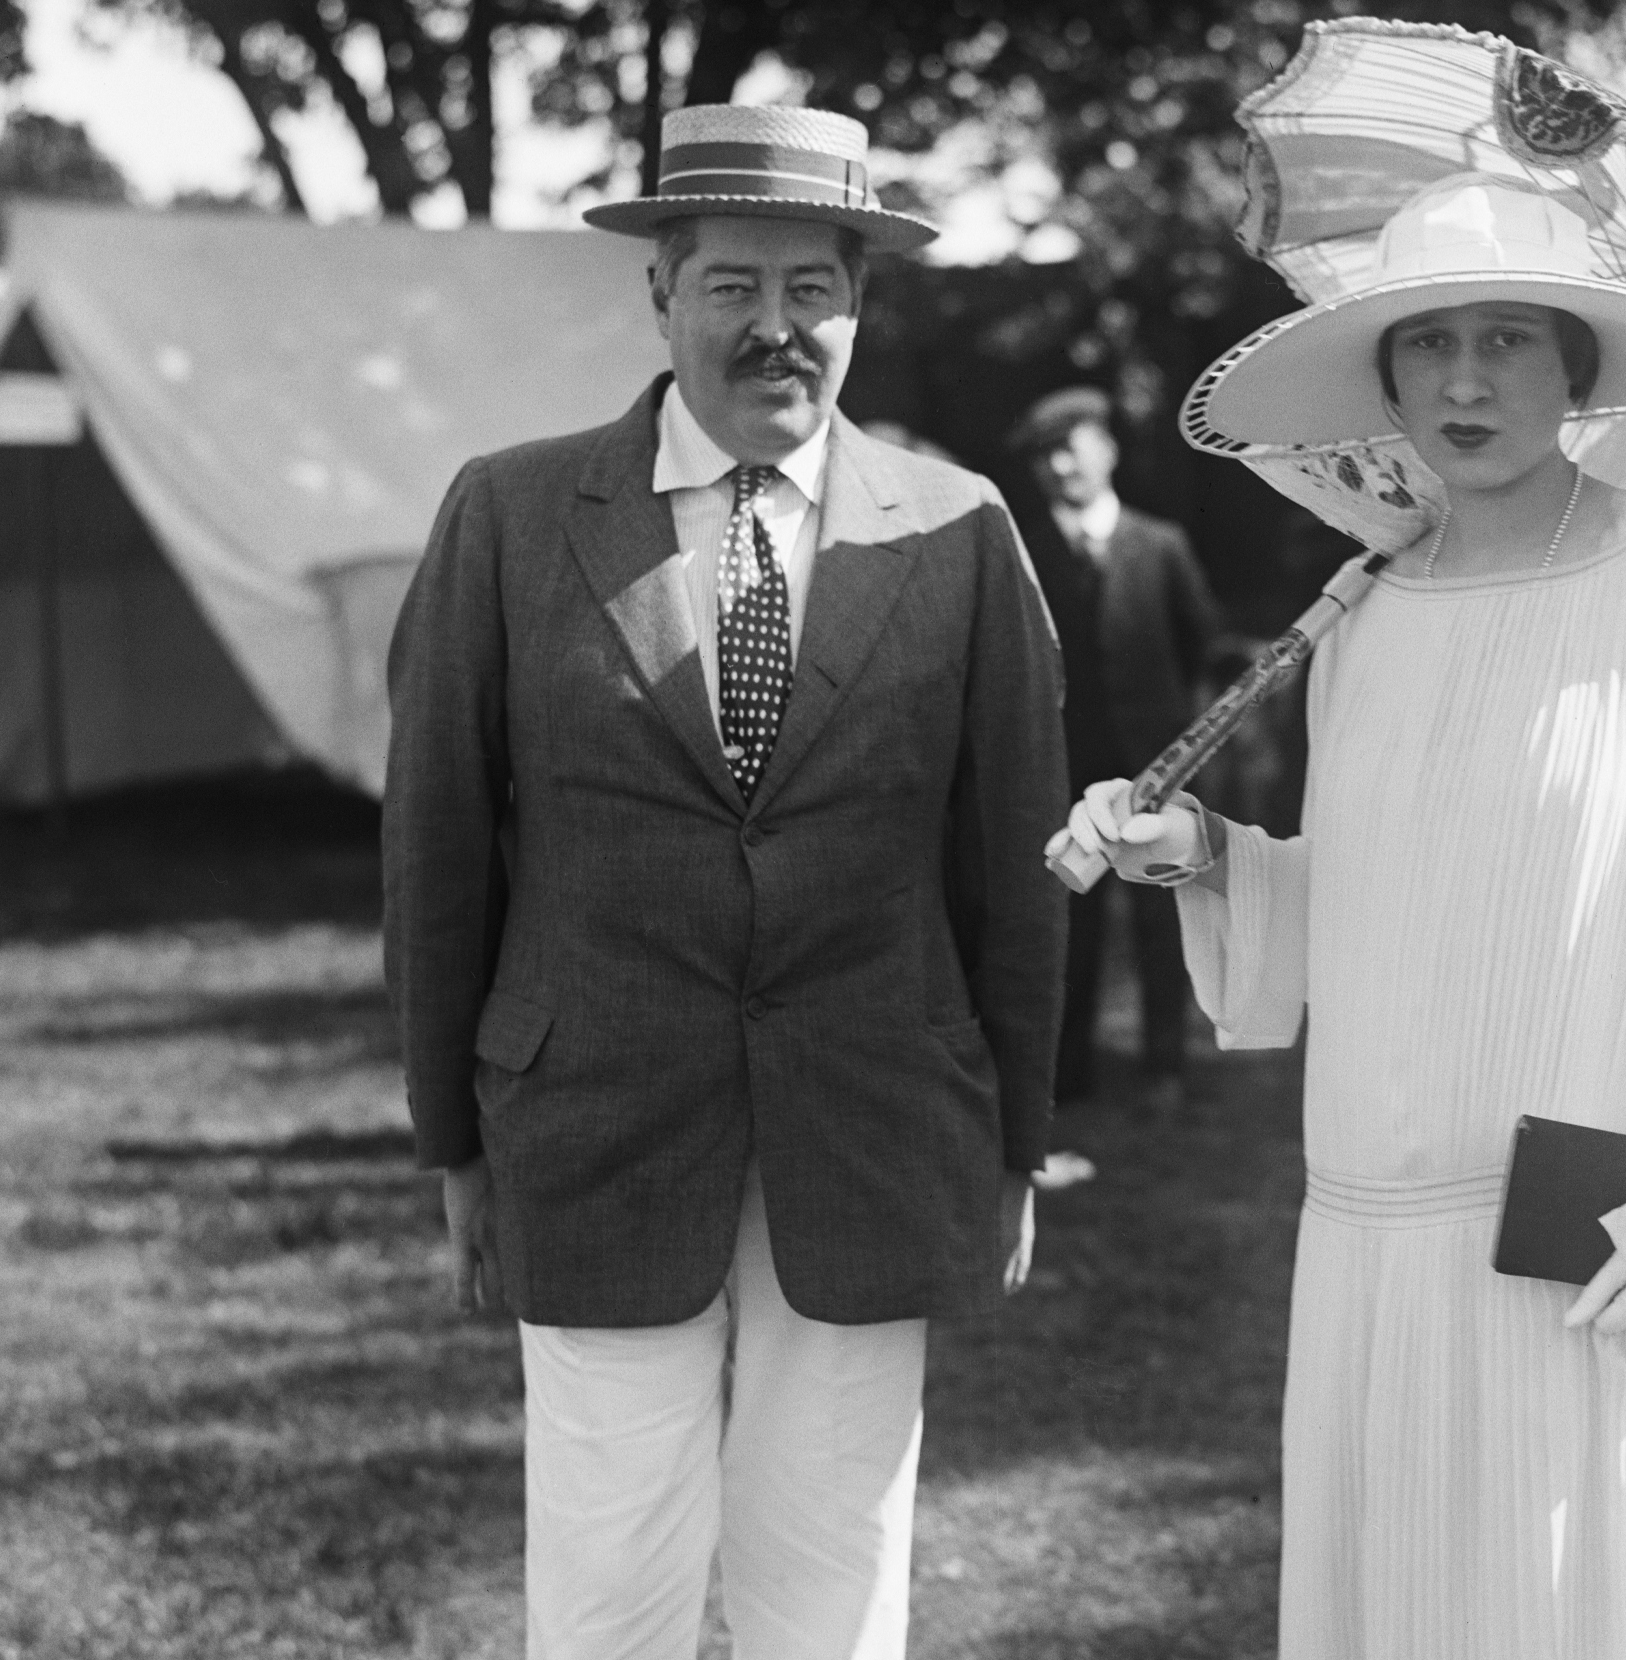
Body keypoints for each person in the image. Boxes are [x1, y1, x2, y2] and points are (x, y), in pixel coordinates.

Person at [1063, 173, 1626, 1658]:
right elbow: (1369, 904)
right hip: (1372, 1253)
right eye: (1426, 343)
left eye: (1510, 339)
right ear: (1384, 374)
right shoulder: (1362, 617)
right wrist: (1202, 852)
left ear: (1578, 364)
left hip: (1580, 1258)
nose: (1464, 380)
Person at [381, 103, 1069, 1659]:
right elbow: (435, 849)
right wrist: (450, 1133)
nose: (777, 330)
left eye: (812, 289)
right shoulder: (510, 513)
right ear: (660, 293)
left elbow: (1009, 868)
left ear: (860, 301)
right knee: (609, 1581)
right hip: (593, 1124)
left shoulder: (959, 532)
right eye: (733, 287)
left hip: (879, 1122)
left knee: (831, 1578)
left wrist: (1017, 1137)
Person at [1009, 385, 1233, 1115]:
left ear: (1107, 450)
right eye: (1046, 454)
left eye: (1073, 446)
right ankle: (1069, 1073)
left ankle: (1164, 1064)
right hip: (1062, 765)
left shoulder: (1158, 544)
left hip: (1155, 771)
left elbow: (1199, 641)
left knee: (1159, 918)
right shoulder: (1024, 551)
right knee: (1070, 918)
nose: (1061, 465)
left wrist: (1183, 748)